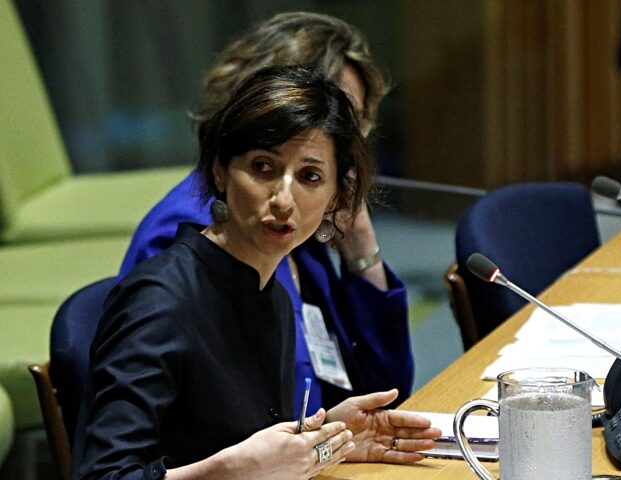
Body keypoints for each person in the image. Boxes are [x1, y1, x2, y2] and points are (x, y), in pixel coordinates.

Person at [72, 66, 441, 479]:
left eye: (310, 176)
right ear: (220, 170)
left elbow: (252, 446)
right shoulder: (160, 302)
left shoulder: (273, 294)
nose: (284, 199)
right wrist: (230, 470)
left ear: (335, 196)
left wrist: (326, 441)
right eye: (263, 167)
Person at [118, 12, 413, 418]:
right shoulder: (195, 232)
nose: (340, 139)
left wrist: (360, 245)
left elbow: (384, 393)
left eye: (350, 123)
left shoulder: (300, 226)